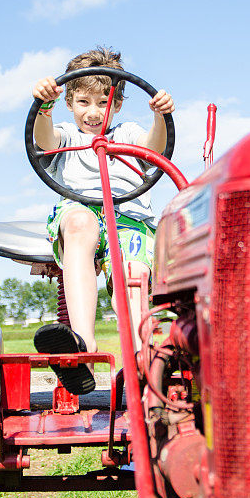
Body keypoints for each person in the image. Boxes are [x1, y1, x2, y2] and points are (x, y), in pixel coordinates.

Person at [32, 47, 175, 394]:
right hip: (81, 212)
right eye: (83, 102)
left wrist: (159, 117)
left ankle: (144, 365)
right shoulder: (66, 134)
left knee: (134, 275)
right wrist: (43, 108)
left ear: (119, 104)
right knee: (82, 223)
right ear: (69, 102)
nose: (94, 113)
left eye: (103, 102)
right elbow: (44, 140)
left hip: (128, 219)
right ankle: (82, 346)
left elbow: (153, 148)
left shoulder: (127, 133)